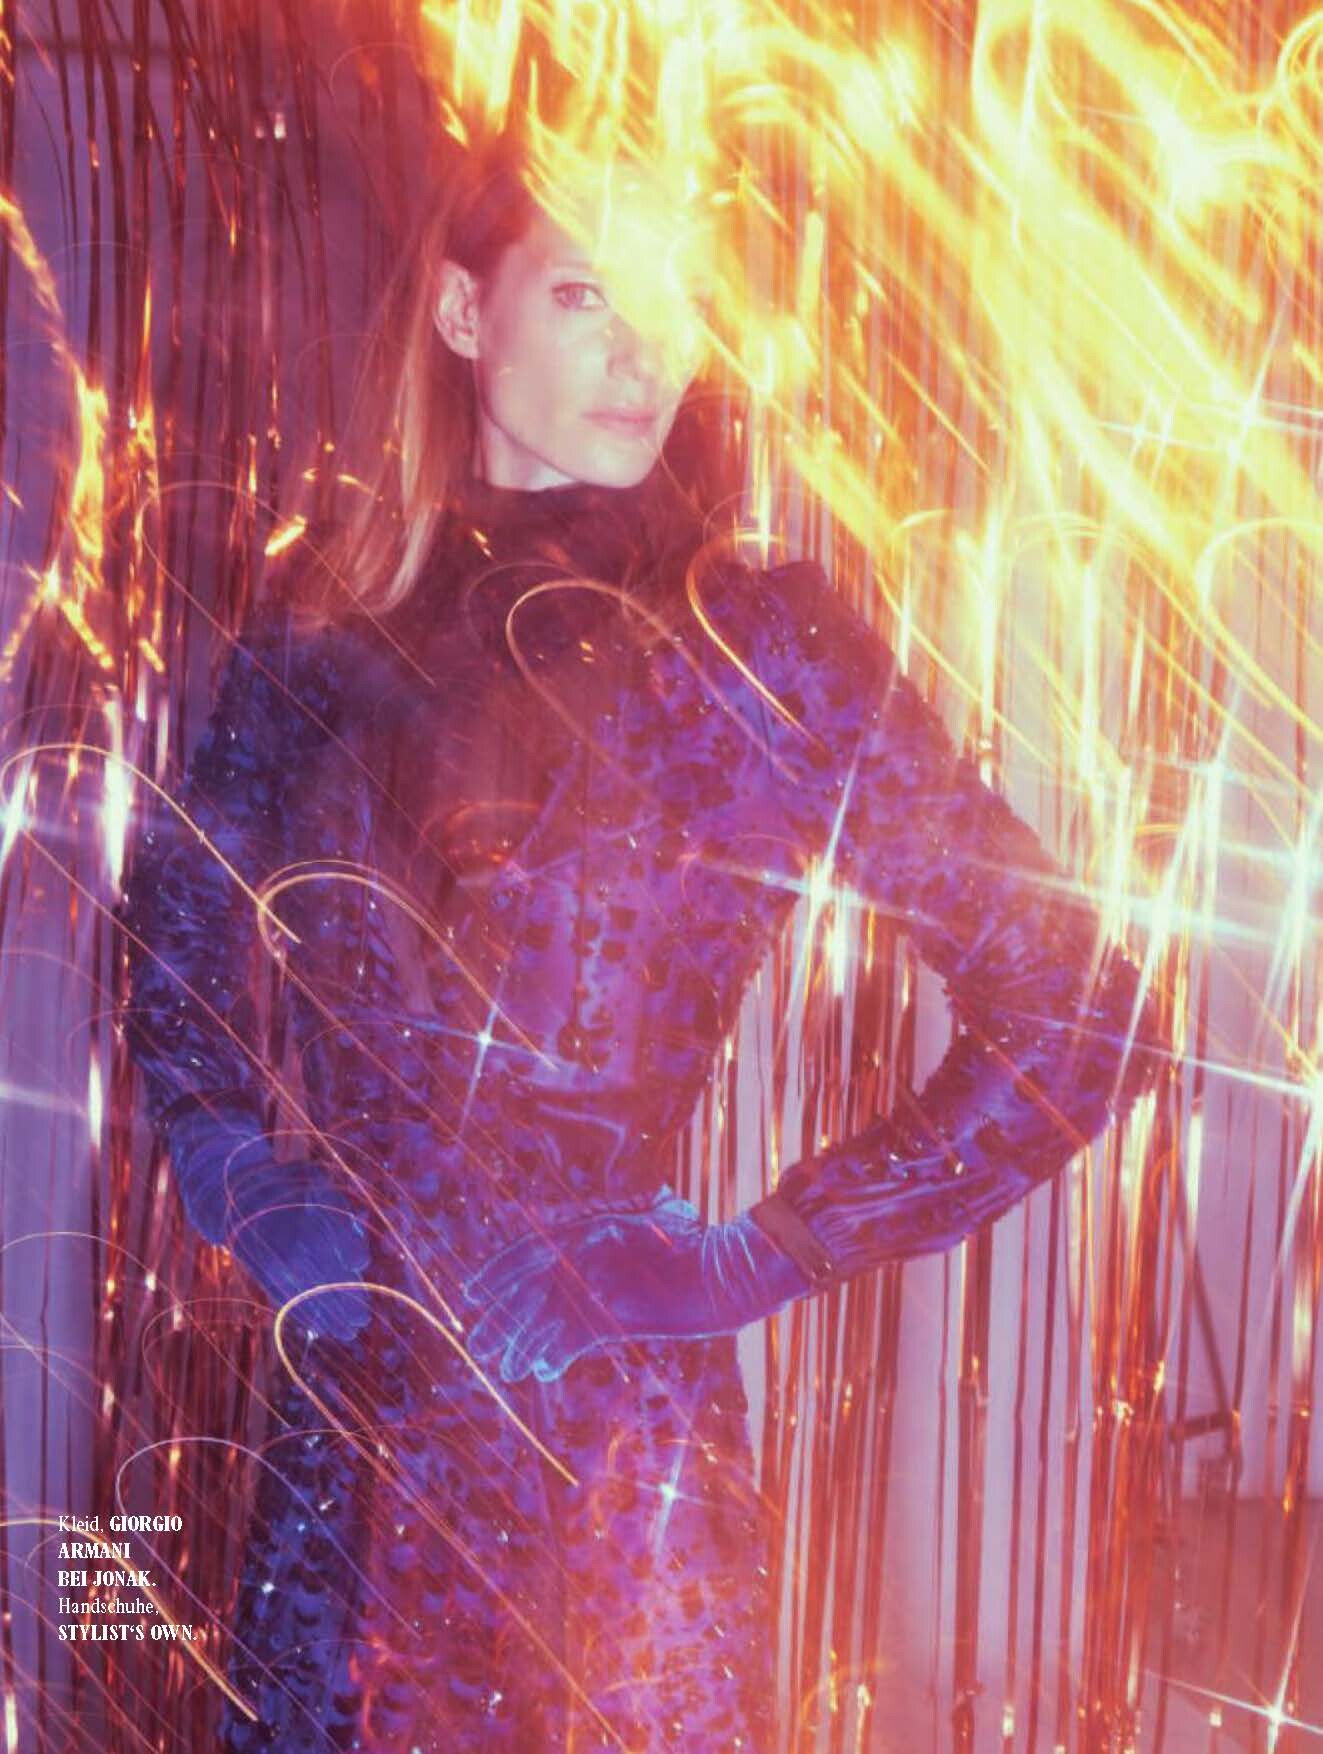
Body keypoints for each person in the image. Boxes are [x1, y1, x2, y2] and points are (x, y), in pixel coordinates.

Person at [114, 129, 1165, 1753]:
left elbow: (1084, 1007)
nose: (647, 347)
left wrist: (764, 1250)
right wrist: (240, 1175)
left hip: (622, 1477)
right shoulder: (315, 637)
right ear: (463, 314)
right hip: (354, 1455)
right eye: (587, 292)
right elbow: (174, 928)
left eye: (678, 295)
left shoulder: (765, 647)